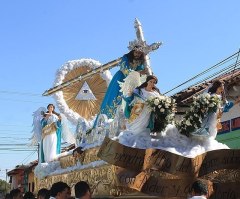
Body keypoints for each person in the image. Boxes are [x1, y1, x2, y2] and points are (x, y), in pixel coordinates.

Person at [94, 45, 147, 126]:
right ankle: (107, 121)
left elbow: (142, 72)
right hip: (120, 79)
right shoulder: (125, 58)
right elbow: (125, 69)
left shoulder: (140, 61)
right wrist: (138, 73)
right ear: (132, 51)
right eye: (136, 52)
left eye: (139, 53)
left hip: (133, 82)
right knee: (115, 97)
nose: (137, 54)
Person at [117, 75, 161, 148]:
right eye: (151, 81)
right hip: (138, 109)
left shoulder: (156, 93)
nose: (152, 83)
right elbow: (131, 98)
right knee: (133, 125)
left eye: (154, 82)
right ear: (147, 81)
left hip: (147, 112)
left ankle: (138, 142)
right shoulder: (140, 90)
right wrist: (130, 94)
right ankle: (129, 141)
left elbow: (159, 102)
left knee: (142, 127)